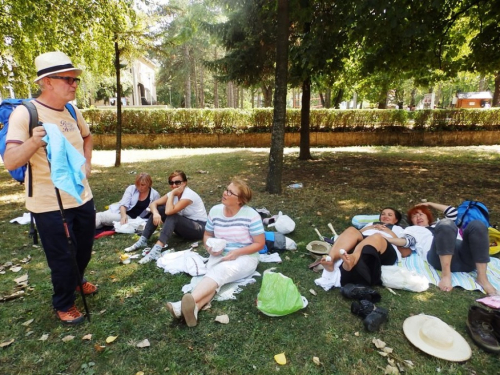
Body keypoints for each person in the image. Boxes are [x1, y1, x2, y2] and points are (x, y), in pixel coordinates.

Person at [3, 51, 96, 325]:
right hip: (49, 204)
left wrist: (87, 165)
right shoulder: (25, 113)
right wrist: (33, 142)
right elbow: (11, 160)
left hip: (82, 195)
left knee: (84, 250)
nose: (74, 84)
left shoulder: (71, 110)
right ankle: (64, 303)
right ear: (47, 82)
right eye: (67, 79)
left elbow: (87, 137)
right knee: (63, 256)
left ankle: (78, 281)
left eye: (75, 79)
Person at [166, 178, 265, 327]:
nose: (225, 193)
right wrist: (209, 247)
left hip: (245, 257)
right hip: (219, 254)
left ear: (240, 200)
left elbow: (260, 243)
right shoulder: (215, 210)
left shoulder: (251, 215)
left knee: (220, 272)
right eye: (226, 189)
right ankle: (195, 309)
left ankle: (181, 305)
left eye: (230, 192)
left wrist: (237, 252)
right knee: (214, 280)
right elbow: (207, 235)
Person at [387, 202, 498, 295]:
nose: (418, 217)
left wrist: (429, 203)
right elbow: (406, 241)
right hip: (438, 258)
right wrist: (386, 239)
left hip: (466, 259)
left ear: (427, 216)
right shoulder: (412, 229)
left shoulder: (437, 224)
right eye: (415, 216)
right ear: (412, 221)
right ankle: (446, 275)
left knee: (478, 225)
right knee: (445, 224)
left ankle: (482, 278)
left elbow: (453, 212)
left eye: (421, 214)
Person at [125, 170, 207, 264]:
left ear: (184, 183)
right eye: (171, 183)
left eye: (177, 182)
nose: (174, 185)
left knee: (173, 216)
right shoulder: (174, 193)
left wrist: (172, 194)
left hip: (199, 228)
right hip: (185, 226)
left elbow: (169, 212)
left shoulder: (188, 195)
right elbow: (153, 204)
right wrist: (155, 213)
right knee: (160, 209)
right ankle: (143, 239)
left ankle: (157, 249)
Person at [319, 207, 409, 286]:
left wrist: (390, 233)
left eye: (390, 215)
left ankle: (352, 260)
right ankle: (330, 260)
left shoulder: (399, 229)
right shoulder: (371, 225)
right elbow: (357, 234)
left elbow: (405, 252)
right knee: (351, 230)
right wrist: (369, 228)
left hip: (384, 248)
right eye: (383, 214)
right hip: (363, 241)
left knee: (376, 236)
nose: (385, 216)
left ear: (396, 220)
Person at [95, 172, 160, 229]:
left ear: (149, 184)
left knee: (101, 217)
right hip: (123, 213)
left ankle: (87, 229)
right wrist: (123, 216)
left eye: (143, 185)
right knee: (98, 218)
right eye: (137, 184)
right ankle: (87, 229)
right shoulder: (131, 188)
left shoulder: (154, 194)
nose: (140, 187)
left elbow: (155, 211)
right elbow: (123, 204)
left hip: (135, 219)